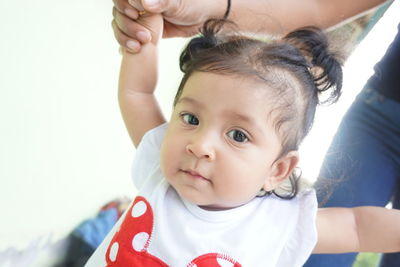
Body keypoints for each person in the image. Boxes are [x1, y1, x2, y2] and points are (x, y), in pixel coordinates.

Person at [85, 4, 400, 266]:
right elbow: (138, 93)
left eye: (237, 135)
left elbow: (358, 227)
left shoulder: (277, 224)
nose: (200, 145)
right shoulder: (161, 165)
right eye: (191, 118)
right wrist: (145, 26)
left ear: (277, 170)